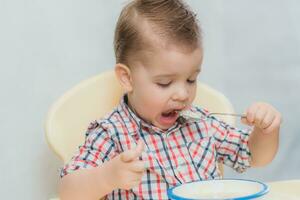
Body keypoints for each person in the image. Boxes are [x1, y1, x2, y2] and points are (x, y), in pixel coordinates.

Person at [59, 0, 282, 199]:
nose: (183, 94)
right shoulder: (111, 133)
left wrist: (265, 131)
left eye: (191, 79)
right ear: (127, 78)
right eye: (165, 83)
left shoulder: (202, 123)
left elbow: (254, 156)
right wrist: (106, 177)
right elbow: (68, 192)